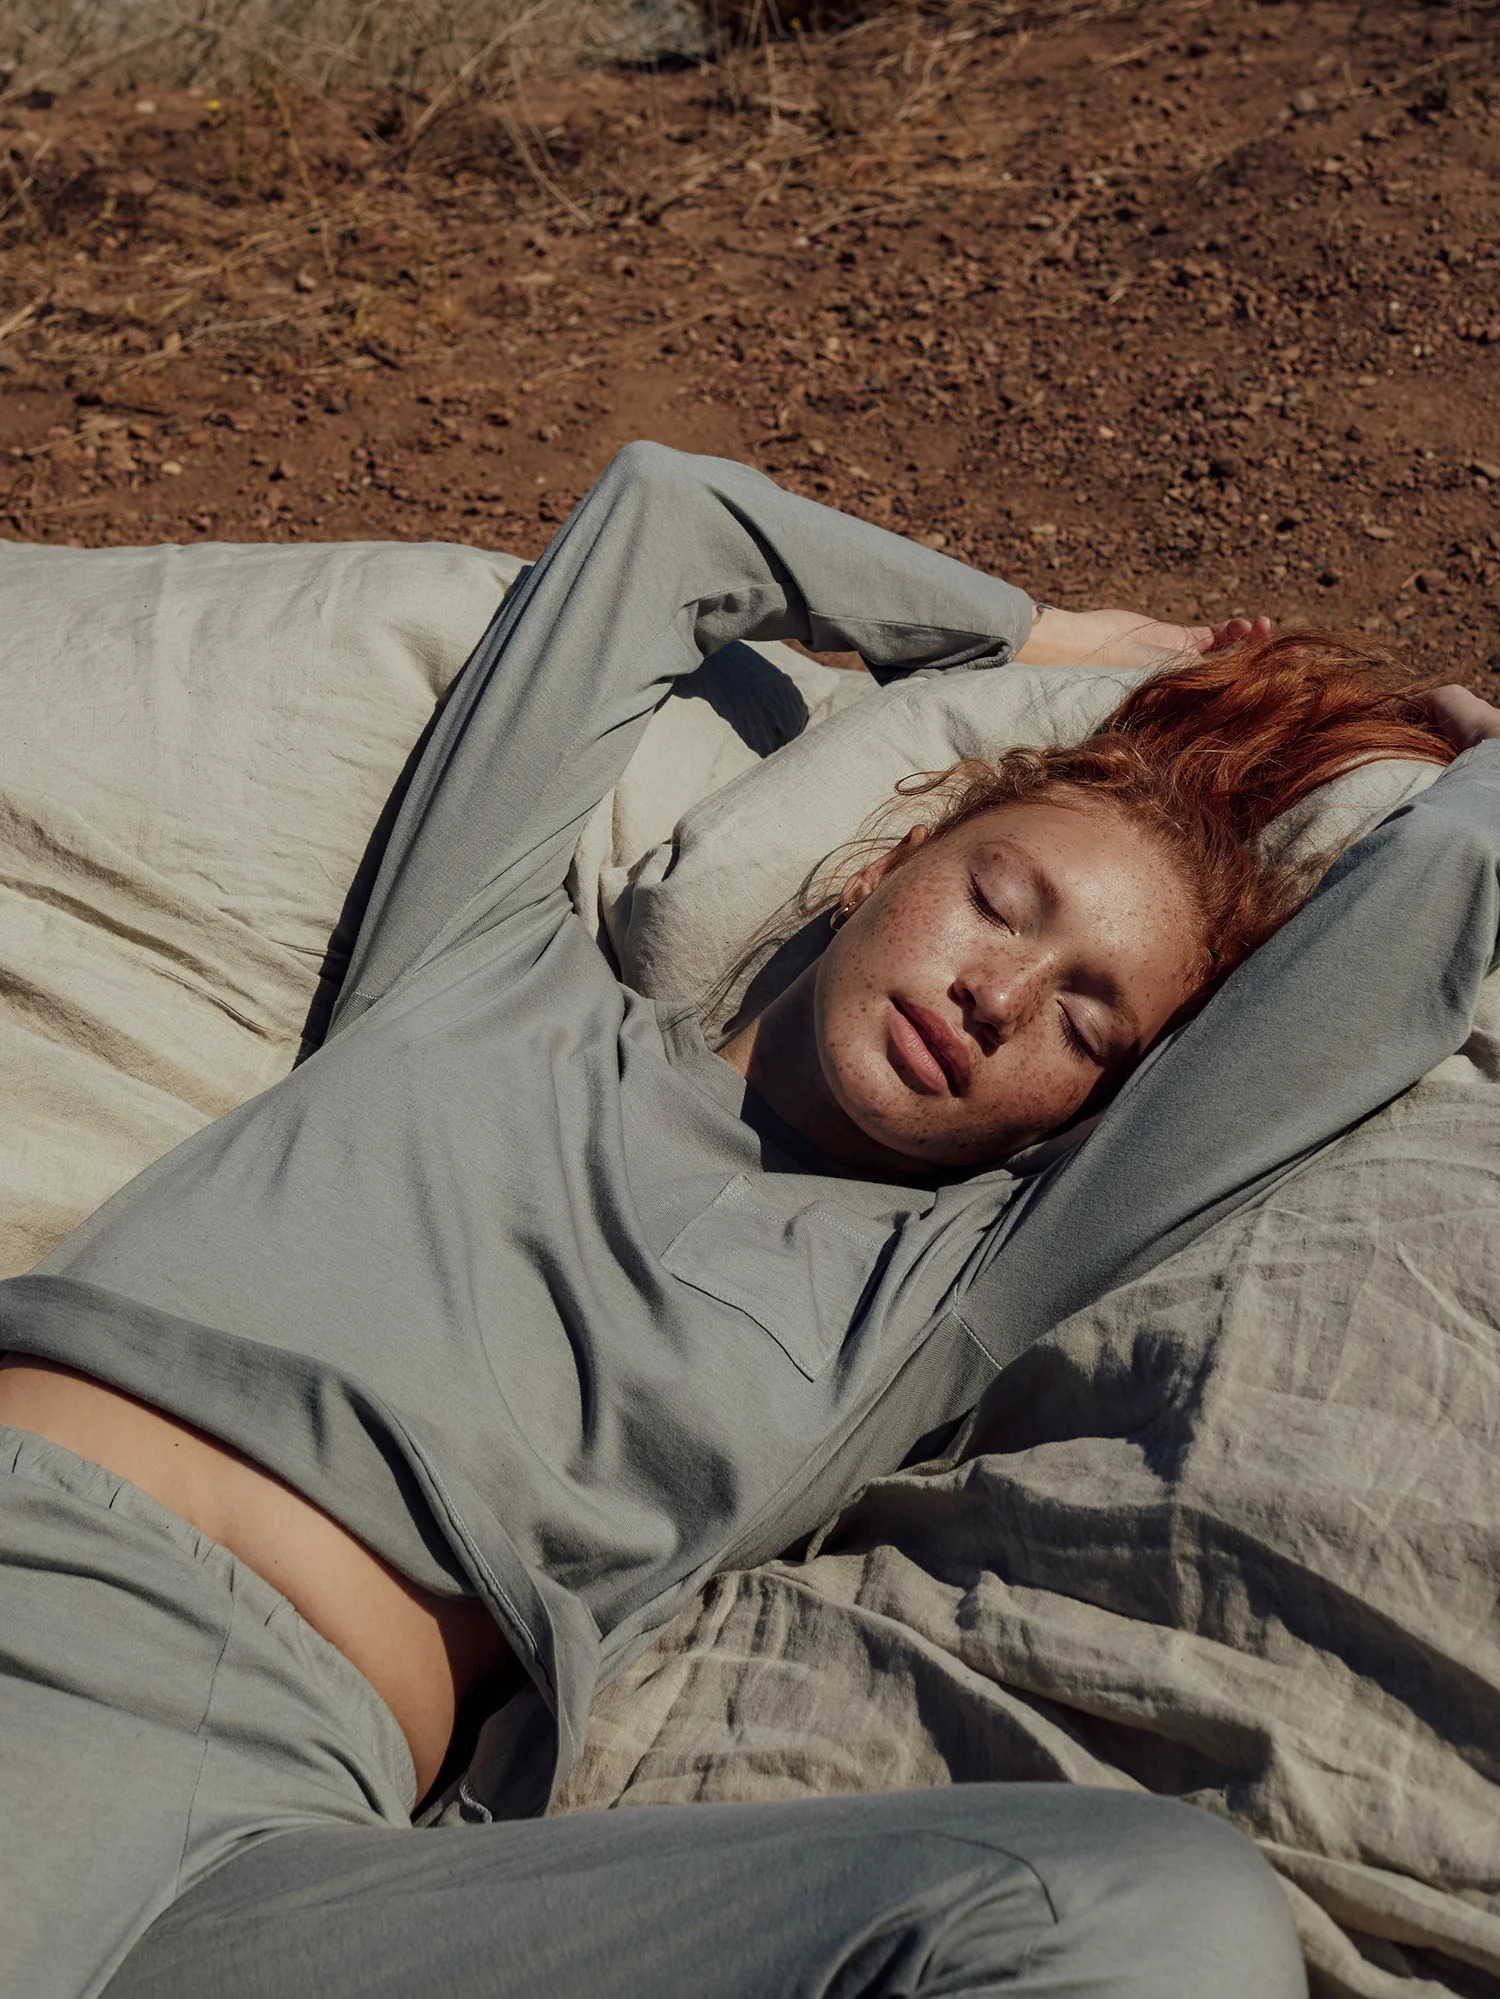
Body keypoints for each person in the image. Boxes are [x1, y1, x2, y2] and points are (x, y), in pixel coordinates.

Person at [1, 442, 1495, 1999]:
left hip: (293, 1847)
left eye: (1089, 1021)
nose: (1000, 995)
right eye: (1000, 899)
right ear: (876, 870)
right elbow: (670, 519)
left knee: (1154, 1912)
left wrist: (1473, 781)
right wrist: (1054, 641)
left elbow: (1380, 974)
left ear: (1088, 1113)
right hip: (44, 1590)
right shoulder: (483, 972)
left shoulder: (940, 1297)